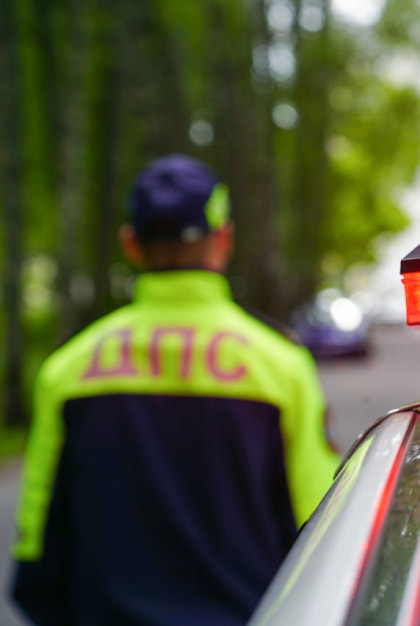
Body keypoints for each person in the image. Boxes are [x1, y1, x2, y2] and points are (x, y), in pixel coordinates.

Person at [10, 154, 338, 625]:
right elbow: (319, 527)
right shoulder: (279, 366)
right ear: (224, 239)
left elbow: (38, 543)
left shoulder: (69, 368)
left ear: (131, 244)